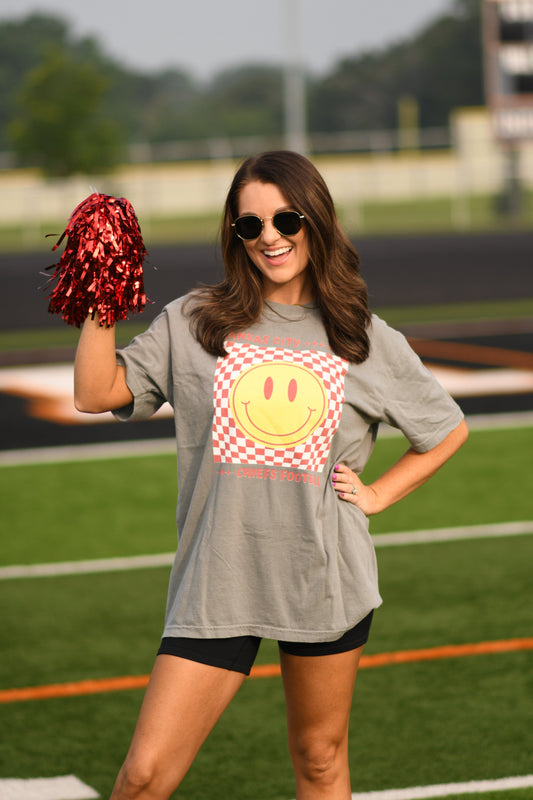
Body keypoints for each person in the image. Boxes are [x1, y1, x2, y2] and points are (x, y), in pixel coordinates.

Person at [74, 150, 468, 800]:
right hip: (217, 579)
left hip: (322, 578)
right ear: (233, 235)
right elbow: (96, 393)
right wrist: (98, 298)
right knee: (143, 776)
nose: (270, 237)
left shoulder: (362, 338)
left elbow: (445, 429)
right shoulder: (193, 321)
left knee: (318, 760)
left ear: (316, 220)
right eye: (249, 225)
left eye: (286, 218)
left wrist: (375, 496)